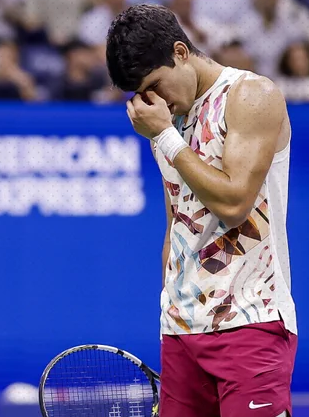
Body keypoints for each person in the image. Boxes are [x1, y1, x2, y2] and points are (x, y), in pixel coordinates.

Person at [106, 5, 298, 417]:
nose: (157, 101)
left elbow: (234, 204)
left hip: (251, 323)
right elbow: (178, 223)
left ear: (180, 52)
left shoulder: (250, 96)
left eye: (157, 85)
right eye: (143, 95)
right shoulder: (166, 121)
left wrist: (166, 138)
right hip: (180, 335)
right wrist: (168, 320)